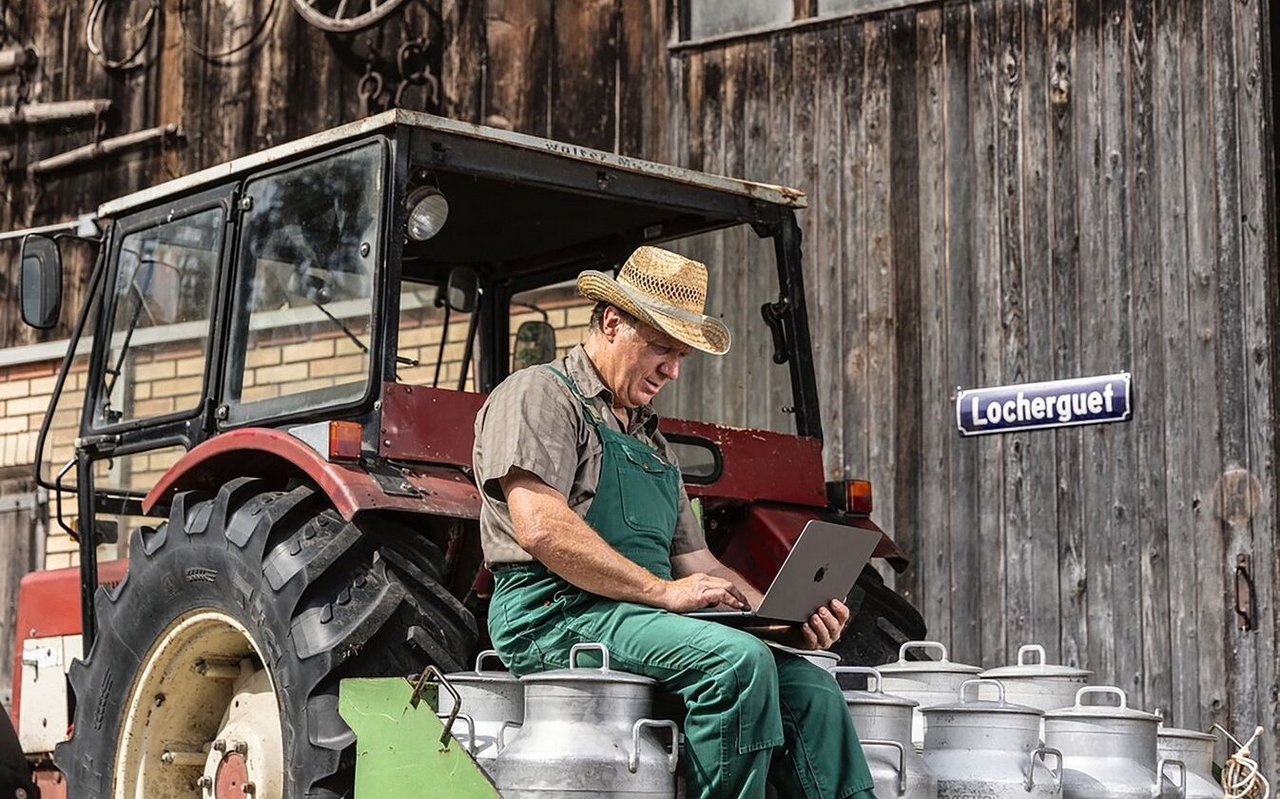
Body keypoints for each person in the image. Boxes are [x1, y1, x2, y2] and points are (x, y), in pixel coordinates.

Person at [472, 245, 877, 799]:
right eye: (662, 348)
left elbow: (699, 562)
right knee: (735, 664)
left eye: (682, 354)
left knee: (810, 686)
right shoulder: (539, 394)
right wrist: (661, 592)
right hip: (553, 610)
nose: (673, 369)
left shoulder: (652, 441)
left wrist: (775, 616)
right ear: (612, 322)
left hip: (636, 611)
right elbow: (541, 526)